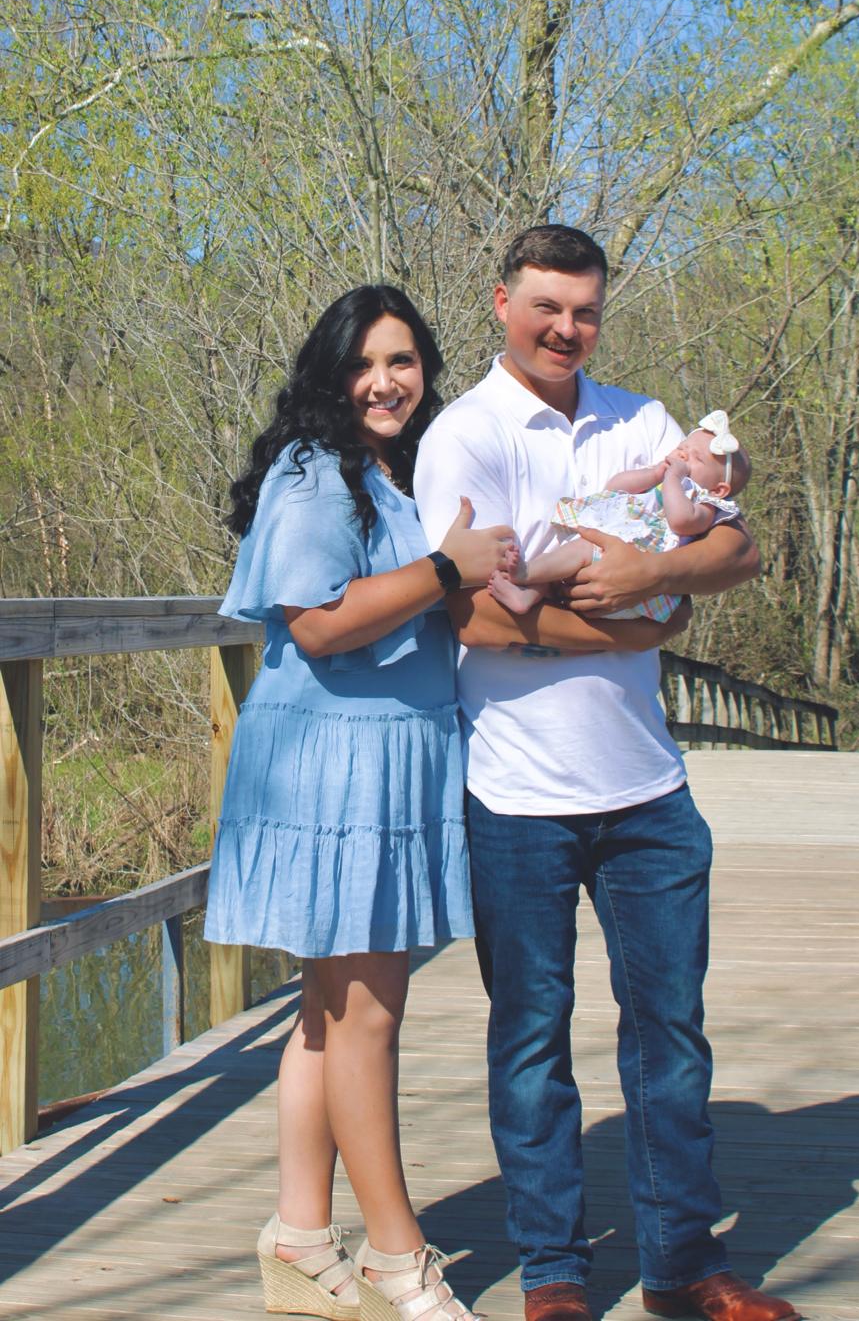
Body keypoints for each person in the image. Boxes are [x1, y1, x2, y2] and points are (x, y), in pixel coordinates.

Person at [413, 227, 801, 1321]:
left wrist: (652, 572)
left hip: (647, 791)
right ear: (501, 303)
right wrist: (635, 627)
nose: (565, 328)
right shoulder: (466, 433)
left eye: (584, 310)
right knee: (531, 1040)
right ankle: (553, 1275)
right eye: (545, 306)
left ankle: (682, 1262)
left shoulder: (643, 420)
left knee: (669, 1033)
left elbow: (736, 551)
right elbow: (468, 613)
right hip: (517, 796)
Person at [205, 285, 520, 1321]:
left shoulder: (400, 469)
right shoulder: (313, 472)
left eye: (403, 361)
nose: (385, 382)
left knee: (327, 1015)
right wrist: (445, 566)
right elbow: (320, 622)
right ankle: (396, 1256)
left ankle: (301, 1237)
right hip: (331, 765)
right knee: (366, 1019)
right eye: (363, 364)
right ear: (330, 374)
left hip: (390, 758)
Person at [489, 410, 751, 619]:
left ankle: (525, 573)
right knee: (562, 558)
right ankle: (527, 596)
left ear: (719, 489)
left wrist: (672, 479)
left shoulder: (704, 503)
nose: (683, 455)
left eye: (696, 458)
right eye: (683, 447)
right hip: (610, 561)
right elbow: (615, 488)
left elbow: (681, 521)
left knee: (582, 549)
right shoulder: (661, 479)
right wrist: (654, 474)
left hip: (634, 575)